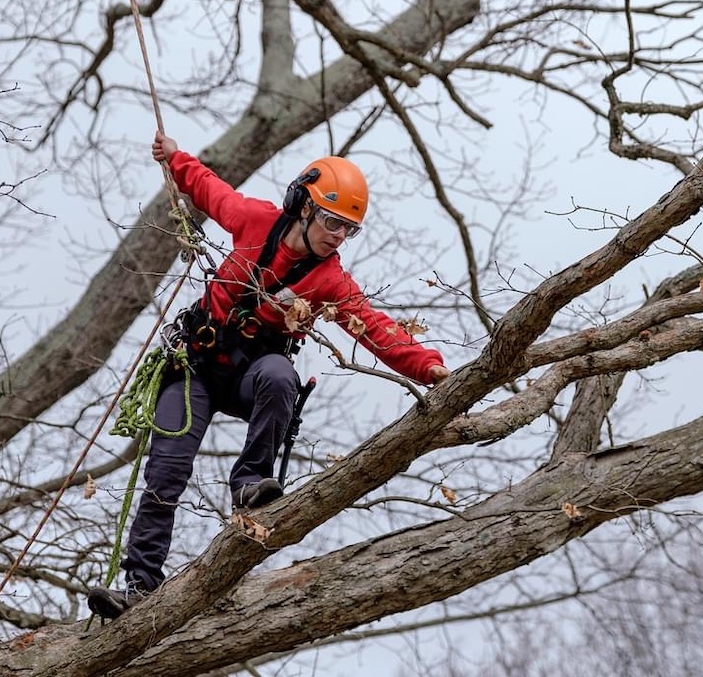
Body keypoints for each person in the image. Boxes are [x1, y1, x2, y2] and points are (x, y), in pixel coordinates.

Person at [87, 131, 449, 619]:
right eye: (331, 221)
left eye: (348, 229)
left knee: (281, 375)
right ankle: (139, 585)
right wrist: (175, 158)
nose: (337, 236)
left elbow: (376, 329)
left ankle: (250, 482)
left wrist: (428, 366)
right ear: (303, 206)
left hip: (249, 376)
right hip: (193, 367)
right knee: (166, 472)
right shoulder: (255, 221)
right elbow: (211, 189)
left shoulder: (331, 282)